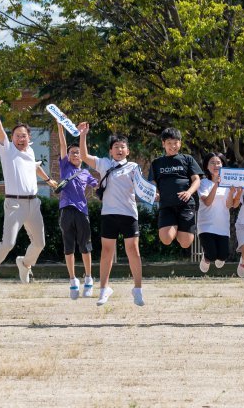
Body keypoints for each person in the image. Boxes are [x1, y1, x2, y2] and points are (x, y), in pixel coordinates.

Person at [0, 93, 59, 291]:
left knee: (40, 243)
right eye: (17, 135)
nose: (20, 138)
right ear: (12, 138)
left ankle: (24, 264)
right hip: (14, 203)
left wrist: (48, 179)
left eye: (23, 135)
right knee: (8, 243)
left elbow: (35, 166)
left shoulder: (31, 151)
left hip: (33, 204)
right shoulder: (7, 150)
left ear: (29, 137)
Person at [78, 122, 145, 306]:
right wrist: (83, 134)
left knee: (134, 250)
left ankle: (137, 289)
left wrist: (152, 194)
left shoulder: (133, 167)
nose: (120, 150)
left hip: (129, 214)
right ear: (110, 151)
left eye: (123, 147)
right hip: (109, 214)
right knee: (107, 251)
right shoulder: (104, 164)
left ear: (128, 151)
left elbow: (142, 189)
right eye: (116, 147)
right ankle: (103, 289)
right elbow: (84, 156)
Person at [55, 121, 97, 299]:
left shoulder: (86, 173)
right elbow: (63, 144)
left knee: (85, 246)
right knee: (68, 247)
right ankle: (72, 280)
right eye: (72, 153)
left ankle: (88, 278)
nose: (74, 155)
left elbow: (97, 186)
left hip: (82, 211)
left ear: (82, 156)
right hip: (66, 210)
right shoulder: (65, 167)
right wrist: (60, 127)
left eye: (77, 153)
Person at [149, 127, 203, 252]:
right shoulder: (157, 163)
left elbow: (196, 180)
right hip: (166, 205)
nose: (173, 146)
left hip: (185, 205)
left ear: (180, 143)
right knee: (166, 239)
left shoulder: (188, 159)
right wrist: (155, 193)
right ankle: (173, 226)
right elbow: (152, 182)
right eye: (169, 143)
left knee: (185, 243)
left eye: (176, 143)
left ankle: (179, 227)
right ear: (163, 144)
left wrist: (189, 192)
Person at [197, 152, 232, 273]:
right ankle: (206, 258)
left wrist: (233, 192)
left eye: (219, 162)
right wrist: (216, 185)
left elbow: (229, 205)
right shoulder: (202, 183)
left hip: (222, 225)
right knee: (211, 255)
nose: (216, 165)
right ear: (207, 166)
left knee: (223, 256)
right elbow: (207, 202)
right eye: (212, 162)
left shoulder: (228, 184)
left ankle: (212, 256)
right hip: (206, 224)